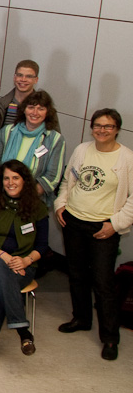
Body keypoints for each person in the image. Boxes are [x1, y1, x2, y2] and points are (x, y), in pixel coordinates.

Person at [55, 108, 133, 361]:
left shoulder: (127, 158)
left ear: (117, 129)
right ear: (91, 128)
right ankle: (81, 318)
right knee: (77, 274)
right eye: (98, 125)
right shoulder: (82, 150)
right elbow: (69, 181)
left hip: (104, 227)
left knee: (103, 282)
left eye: (108, 126)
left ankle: (110, 337)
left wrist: (116, 224)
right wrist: (61, 205)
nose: (102, 130)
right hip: (74, 221)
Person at [0, 160, 46, 369]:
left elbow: (42, 245)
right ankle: (23, 330)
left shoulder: (37, 208)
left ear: (24, 181)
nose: (10, 182)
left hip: (24, 264)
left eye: (15, 178)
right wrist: (4, 256)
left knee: (1, 287)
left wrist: (26, 260)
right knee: (1, 272)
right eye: (6, 178)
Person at [0, 90, 65, 207]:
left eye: (41, 109)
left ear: (47, 112)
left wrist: (27, 197)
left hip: (33, 202)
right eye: (31, 107)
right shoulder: (7, 132)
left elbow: (53, 176)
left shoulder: (55, 139)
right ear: (24, 109)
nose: (35, 113)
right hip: (2, 198)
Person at [0, 60, 40, 135]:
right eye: (20, 75)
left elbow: (54, 140)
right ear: (14, 77)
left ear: (36, 80)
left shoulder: (44, 109)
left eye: (28, 76)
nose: (23, 79)